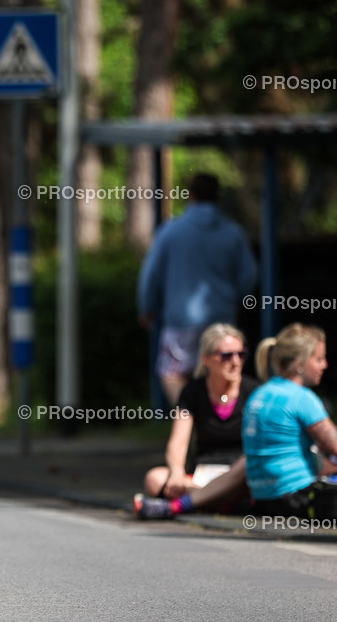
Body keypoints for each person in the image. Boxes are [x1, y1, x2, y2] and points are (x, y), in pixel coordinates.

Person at [137, 173, 257, 407]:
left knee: (173, 373)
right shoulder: (233, 233)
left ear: (190, 195)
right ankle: (217, 421)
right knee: (219, 373)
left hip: (181, 319)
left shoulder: (171, 231)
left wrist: (147, 307)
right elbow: (249, 275)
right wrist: (234, 298)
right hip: (222, 319)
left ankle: (188, 419)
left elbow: (150, 275)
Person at [134, 324, 258, 519]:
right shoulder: (193, 391)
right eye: (226, 356)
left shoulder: (254, 392)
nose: (235, 362)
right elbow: (178, 441)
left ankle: (190, 503)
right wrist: (176, 472)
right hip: (201, 474)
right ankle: (220, 503)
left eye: (240, 354)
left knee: (253, 471)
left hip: (239, 474)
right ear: (206, 359)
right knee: (155, 478)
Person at [241, 324, 337, 518]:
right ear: (299, 364)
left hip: (263, 499)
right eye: (318, 359)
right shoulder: (301, 397)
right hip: (296, 498)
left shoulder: (259, 394)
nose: (324, 365)